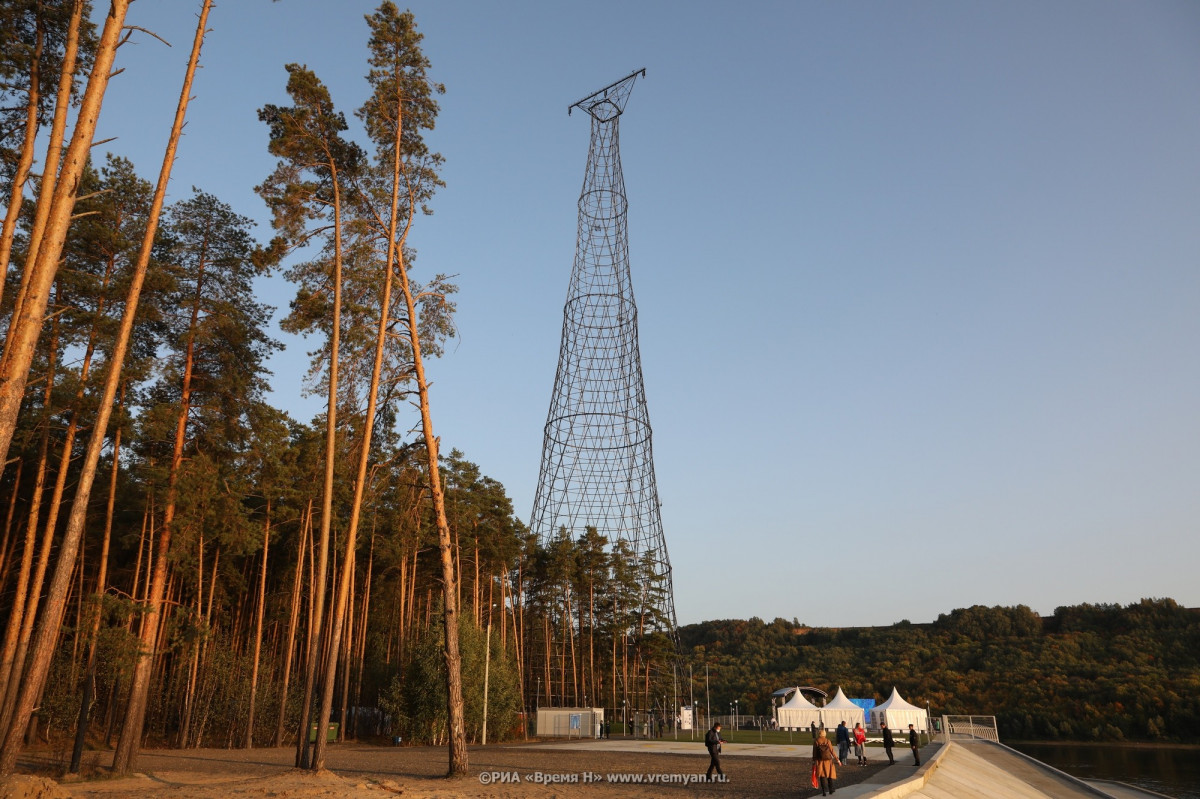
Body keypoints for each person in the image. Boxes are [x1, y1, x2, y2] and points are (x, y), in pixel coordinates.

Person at [811, 728, 838, 795]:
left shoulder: (816, 741)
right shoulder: (827, 741)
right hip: (828, 761)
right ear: (824, 734)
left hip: (820, 761)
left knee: (822, 775)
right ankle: (831, 789)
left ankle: (824, 791)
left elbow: (814, 752)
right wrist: (837, 759)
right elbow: (832, 750)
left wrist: (814, 760)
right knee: (829, 775)